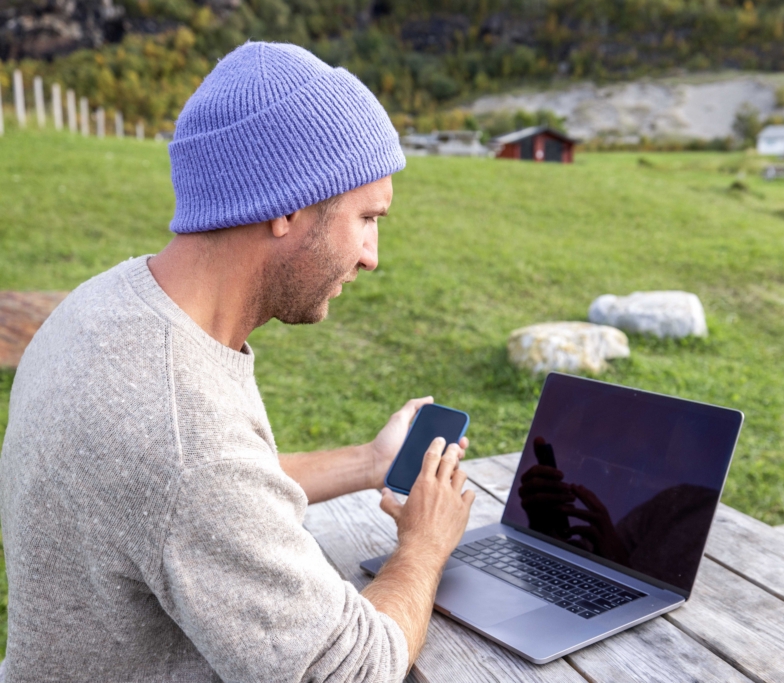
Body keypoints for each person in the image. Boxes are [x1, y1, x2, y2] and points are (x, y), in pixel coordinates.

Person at [0, 42, 475, 682]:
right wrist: (424, 544)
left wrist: (371, 462)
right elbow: (354, 671)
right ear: (286, 206)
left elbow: (206, 495)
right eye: (366, 217)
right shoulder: (183, 436)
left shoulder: (105, 306)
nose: (372, 255)